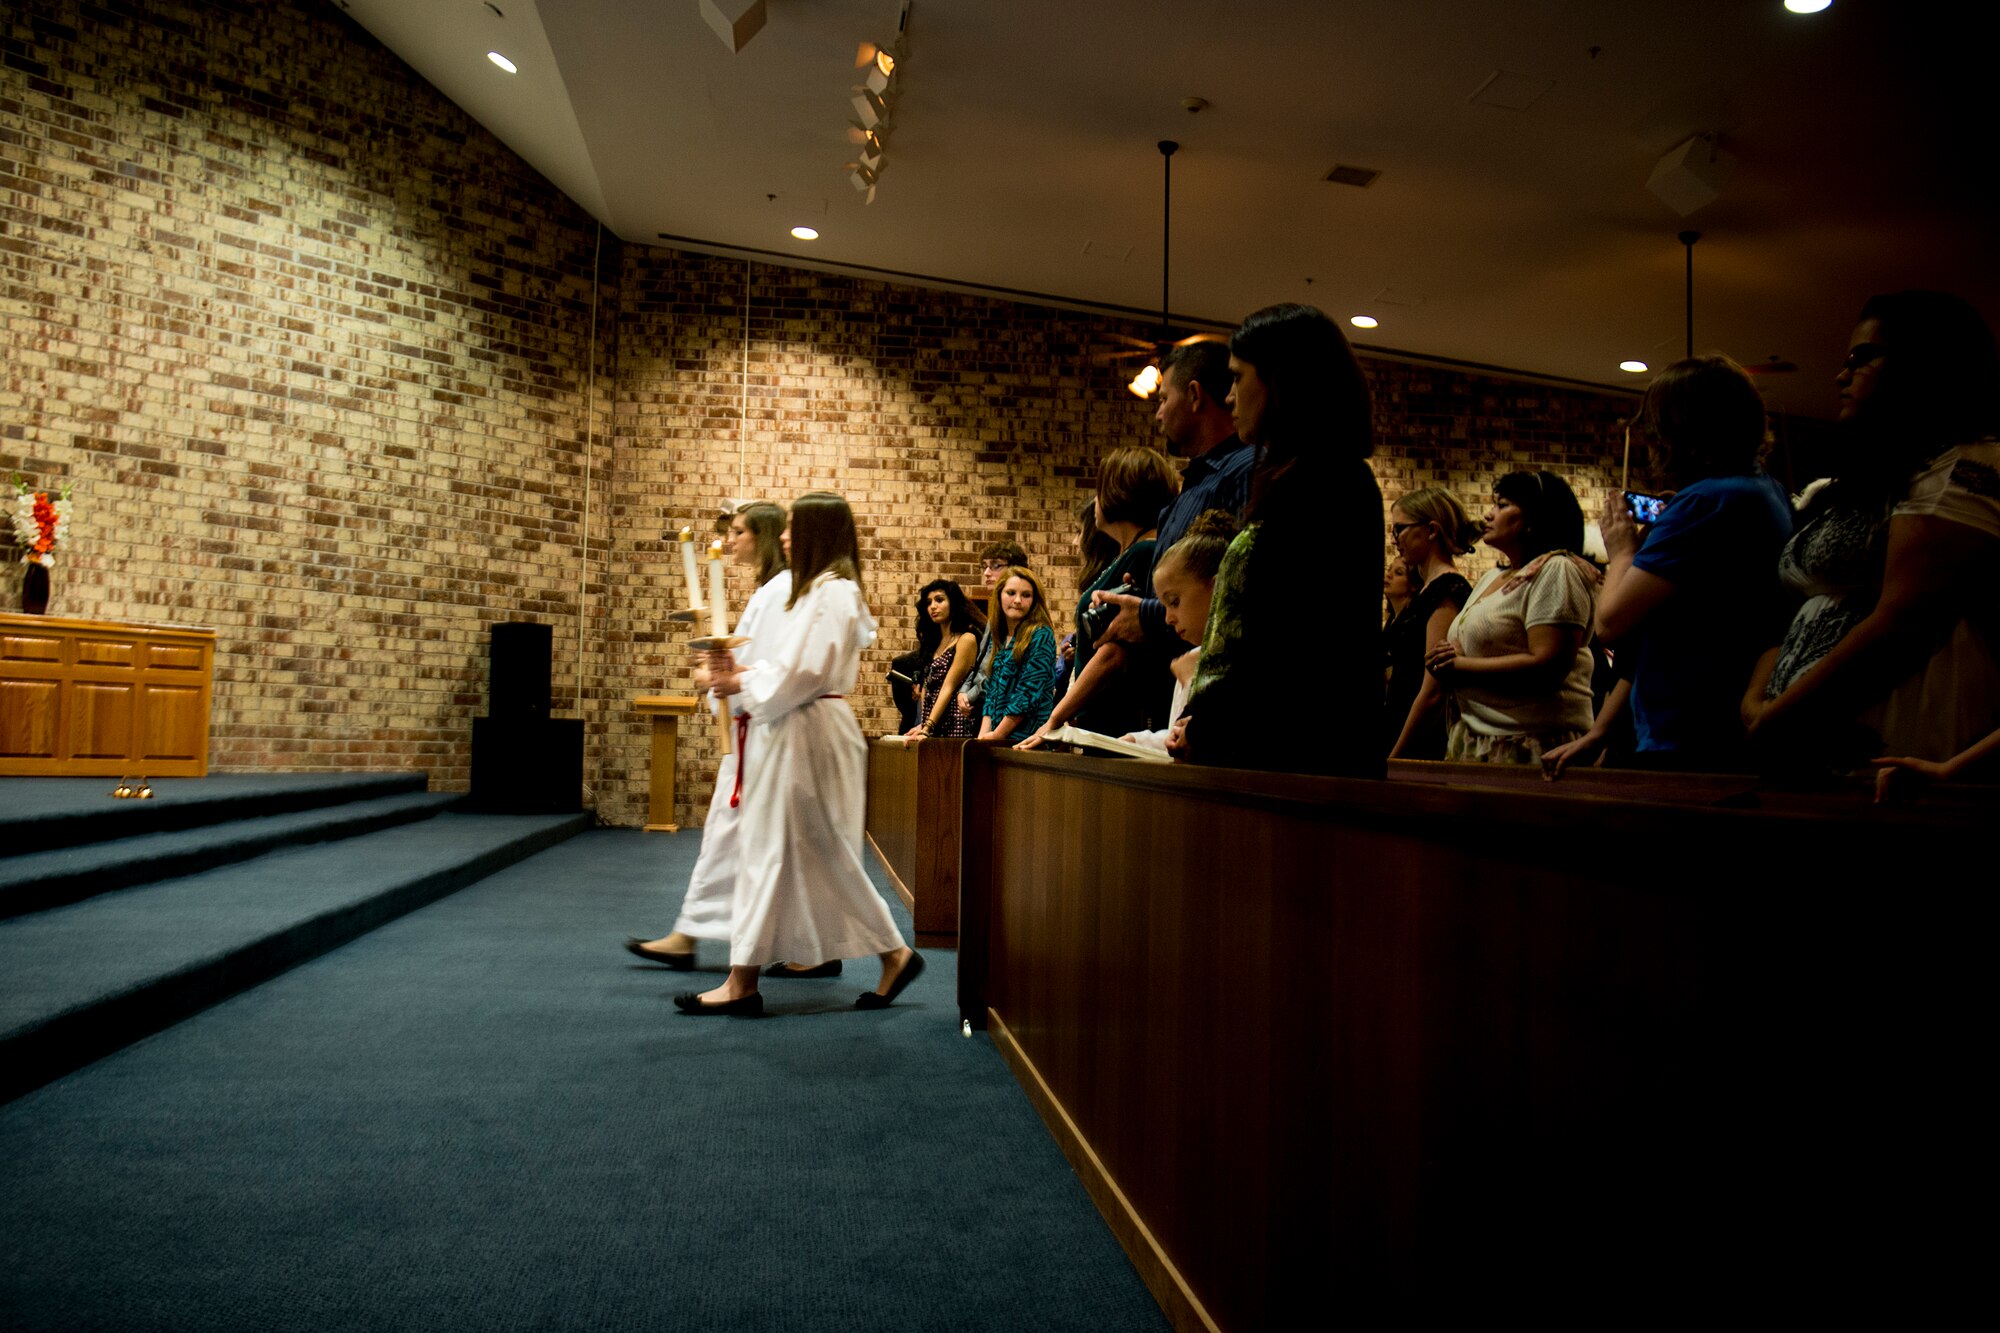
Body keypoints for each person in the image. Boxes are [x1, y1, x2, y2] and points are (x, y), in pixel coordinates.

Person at [678, 492, 922, 1016]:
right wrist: (740, 678)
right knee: (805, 852)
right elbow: (790, 667)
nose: (783, 536)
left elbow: (804, 673)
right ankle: (893, 953)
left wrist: (740, 681)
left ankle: (743, 983)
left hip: (808, 728)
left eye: (792, 526)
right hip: (798, 724)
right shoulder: (816, 591)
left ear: (817, 533)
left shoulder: (833, 593)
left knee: (781, 849)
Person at [1745, 290, 2000, 769]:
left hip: (1900, 720)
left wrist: (1782, 715)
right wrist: (1759, 697)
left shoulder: (1968, 465)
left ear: (1926, 364)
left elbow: (1905, 623)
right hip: (1801, 725)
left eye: (1863, 358)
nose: (1842, 375)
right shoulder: (1851, 488)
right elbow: (1792, 607)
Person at [1542, 357, 1793, 776]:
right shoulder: (1769, 491)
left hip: (1690, 730)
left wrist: (1622, 548)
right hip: (1737, 719)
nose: (1649, 444)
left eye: (1653, 432)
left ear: (1676, 433)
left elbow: (1612, 623)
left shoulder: (1705, 501)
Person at [1170, 303, 1385, 777]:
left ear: (1283, 381)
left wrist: (1213, 726)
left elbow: (1292, 648)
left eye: (1238, 378)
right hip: (1267, 754)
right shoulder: (1299, 478)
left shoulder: (1331, 483)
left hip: (1294, 761)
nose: (1228, 397)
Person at [625, 500, 790, 970]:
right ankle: (701, 933)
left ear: (763, 534)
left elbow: (771, 669)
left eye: (739, 531)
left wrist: (721, 680)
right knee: (733, 837)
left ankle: (691, 934)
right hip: (751, 733)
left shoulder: (779, 592)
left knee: (730, 834)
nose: (731, 539)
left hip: (760, 737)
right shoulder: (769, 591)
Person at [1093, 339, 1256, 656]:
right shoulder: (1191, 489)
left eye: (1164, 398)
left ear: (1194, 395)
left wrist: (1148, 613)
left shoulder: (1244, 471)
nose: (1158, 414)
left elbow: (1234, 588)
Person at [1426, 471, 1596, 766]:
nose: (1489, 514)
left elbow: (1549, 664)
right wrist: (1449, 654)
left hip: (1530, 744)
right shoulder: (1494, 576)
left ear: (1534, 519)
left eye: (1503, 505)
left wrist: (1459, 665)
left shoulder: (1556, 569)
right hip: (1478, 738)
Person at [1017, 446, 1179, 746]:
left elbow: (1114, 653)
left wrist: (1055, 718)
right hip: (1104, 717)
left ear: (1120, 493)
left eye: (1099, 489)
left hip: (1121, 721)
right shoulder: (1129, 554)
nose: (1095, 501)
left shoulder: (1144, 552)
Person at [1122, 510, 1238, 753]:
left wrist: (1192, 682)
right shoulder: (1192, 658)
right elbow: (1177, 738)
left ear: (1217, 588)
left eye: (1174, 601)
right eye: (1164, 606)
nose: (1168, 618)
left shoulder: (1233, 660)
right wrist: (1138, 740)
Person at [1383, 488, 1479, 760]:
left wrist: (1396, 756)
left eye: (1400, 529)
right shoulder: (1428, 590)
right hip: (1401, 723)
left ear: (1431, 530)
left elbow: (1433, 691)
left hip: (1420, 741)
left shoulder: (1446, 590)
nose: (1395, 540)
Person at [954, 538, 1028, 731]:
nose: (987, 573)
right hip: (983, 706)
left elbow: (1001, 670)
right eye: (984, 566)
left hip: (1005, 713)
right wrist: (963, 691)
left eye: (995, 566)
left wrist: (969, 695)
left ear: (1016, 569)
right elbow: (979, 663)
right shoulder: (994, 616)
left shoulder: (1019, 617)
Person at [978, 567, 1058, 743]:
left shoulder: (1041, 634)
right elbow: (991, 694)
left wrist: (998, 734)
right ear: (999, 595)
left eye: (1026, 595)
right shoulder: (999, 636)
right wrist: (982, 738)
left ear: (1034, 600)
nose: (1017, 600)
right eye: (1011, 593)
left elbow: (1027, 694)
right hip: (998, 738)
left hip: (1026, 739)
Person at [903, 578, 980, 740]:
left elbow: (949, 686)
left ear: (953, 603)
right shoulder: (933, 643)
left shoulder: (966, 639)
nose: (933, 606)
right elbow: (926, 688)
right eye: (929, 602)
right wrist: (923, 725)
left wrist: (928, 727)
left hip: (955, 722)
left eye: (939, 600)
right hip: (934, 721)